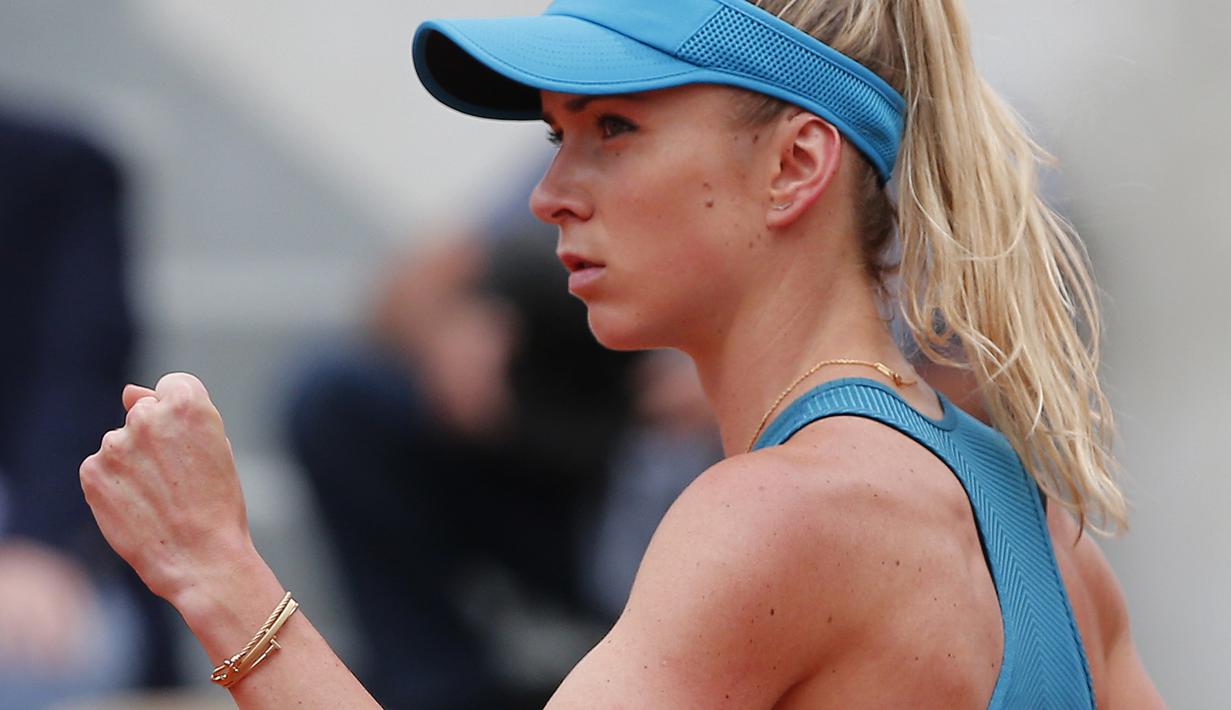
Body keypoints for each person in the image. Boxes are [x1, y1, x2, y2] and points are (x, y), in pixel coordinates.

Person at [78, 1, 1165, 707]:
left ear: (795, 165)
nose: (552, 192)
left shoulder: (770, 515)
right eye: (557, 134)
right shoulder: (1040, 527)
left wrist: (216, 570)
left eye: (613, 131)